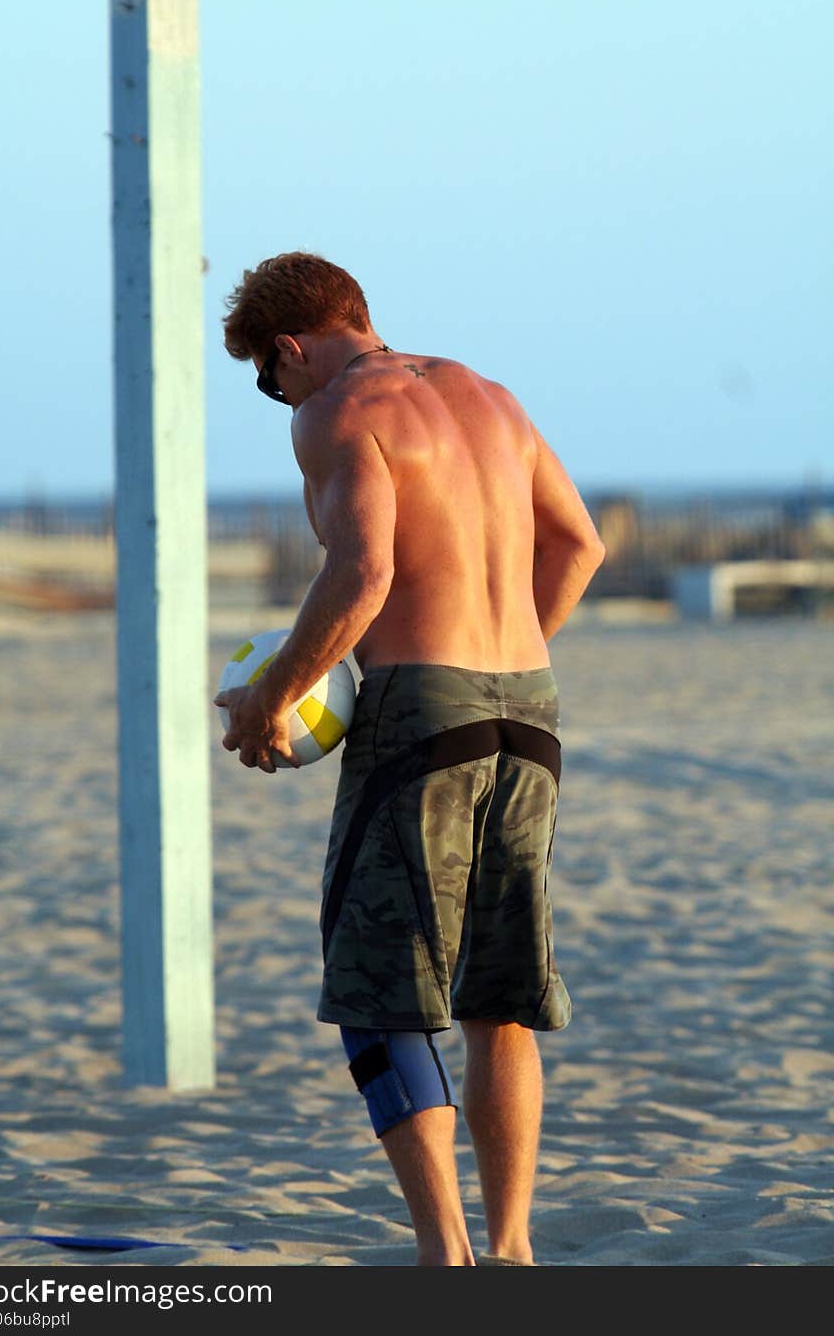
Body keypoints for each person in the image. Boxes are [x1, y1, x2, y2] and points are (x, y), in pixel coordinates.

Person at [214, 252, 605, 1266]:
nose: (278, 398)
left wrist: (268, 698)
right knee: (495, 996)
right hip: (529, 707)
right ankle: (512, 1248)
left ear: (291, 348)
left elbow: (364, 571)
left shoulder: (337, 410)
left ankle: (447, 1257)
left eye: (269, 377)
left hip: (419, 718)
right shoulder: (493, 398)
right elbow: (578, 546)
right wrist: (503, 656)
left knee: (377, 999)